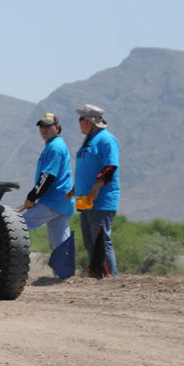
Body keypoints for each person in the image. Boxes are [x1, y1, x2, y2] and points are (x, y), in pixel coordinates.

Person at [19, 113, 75, 278]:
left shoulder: (55, 147)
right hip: (59, 201)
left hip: (53, 201)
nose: (44, 129)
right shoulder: (54, 145)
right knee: (59, 239)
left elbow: (48, 177)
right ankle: (63, 274)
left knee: (19, 224)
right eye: (41, 126)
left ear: (57, 128)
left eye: (48, 126)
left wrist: (32, 197)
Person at [71, 104, 120, 278]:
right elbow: (87, 169)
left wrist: (96, 187)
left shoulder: (106, 139)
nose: (79, 123)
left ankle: (110, 278)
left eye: (82, 119)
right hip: (86, 200)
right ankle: (97, 275)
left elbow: (110, 167)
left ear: (90, 122)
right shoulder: (90, 140)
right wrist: (75, 189)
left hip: (101, 200)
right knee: (90, 242)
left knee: (101, 240)